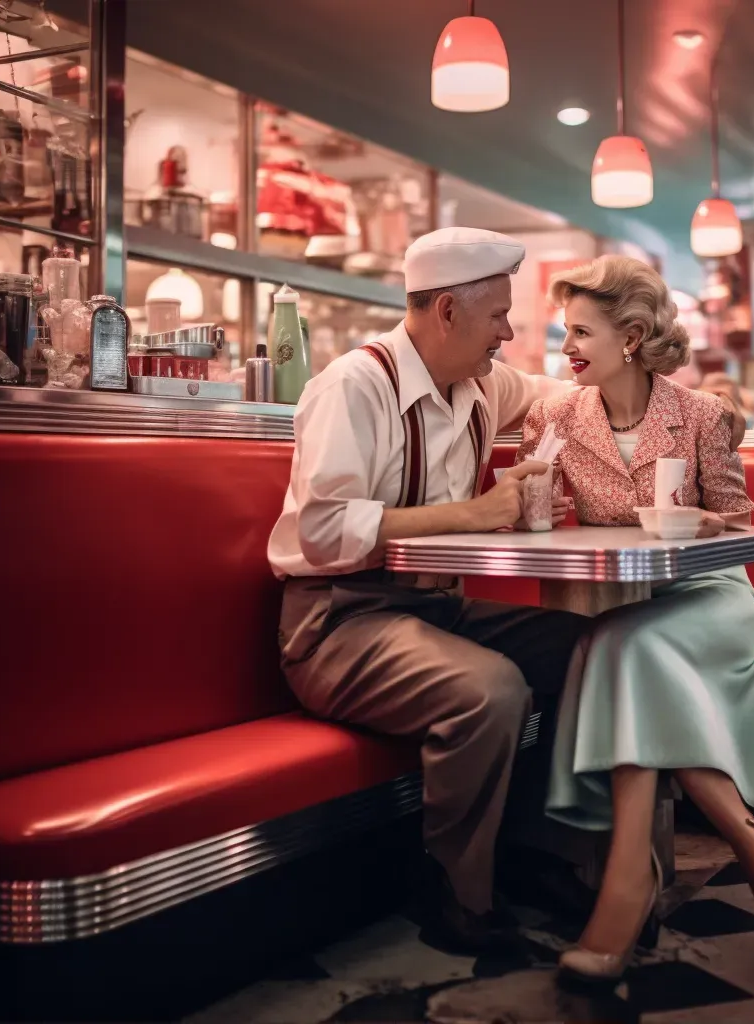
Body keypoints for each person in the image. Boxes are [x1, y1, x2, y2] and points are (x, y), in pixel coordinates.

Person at [268, 227, 588, 954]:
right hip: (336, 624)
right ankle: (456, 895)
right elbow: (322, 531)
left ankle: (536, 855)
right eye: (497, 317)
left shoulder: (481, 385)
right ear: (446, 311)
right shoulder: (352, 385)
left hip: (433, 609)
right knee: (490, 689)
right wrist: (472, 515)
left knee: (587, 651)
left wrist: (681, 398)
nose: (509, 333)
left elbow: (565, 397)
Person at [518, 255, 754, 984]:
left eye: (581, 332)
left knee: (619, 649)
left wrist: (706, 523)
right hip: (626, 609)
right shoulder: (555, 416)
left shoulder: (702, 414)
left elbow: (743, 524)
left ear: (634, 335)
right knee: (622, 645)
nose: (567, 348)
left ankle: (627, 888)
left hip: (711, 600)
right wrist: (532, 498)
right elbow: (545, 517)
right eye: (566, 331)